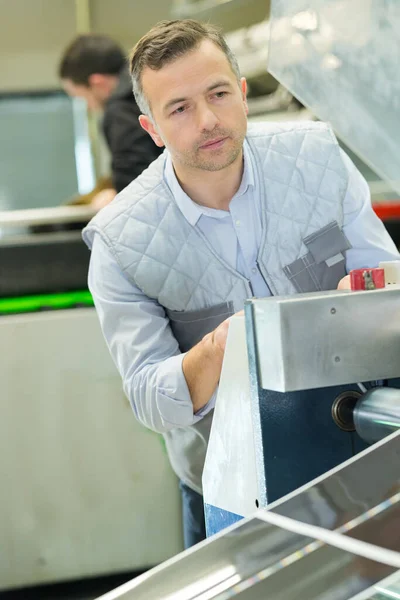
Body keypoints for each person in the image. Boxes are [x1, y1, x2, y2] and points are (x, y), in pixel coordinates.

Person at [82, 19, 399, 548]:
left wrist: (369, 301)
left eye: (219, 93)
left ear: (244, 93)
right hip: (226, 486)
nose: (208, 120)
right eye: (180, 108)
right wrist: (226, 348)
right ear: (152, 129)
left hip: (354, 449)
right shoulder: (120, 243)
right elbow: (148, 397)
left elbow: (388, 289)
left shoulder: (317, 157)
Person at [59, 34, 163, 207]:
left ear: (97, 82)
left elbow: (134, 181)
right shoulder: (153, 86)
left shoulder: (119, 111)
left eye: (83, 98)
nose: (88, 108)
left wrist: (117, 199)